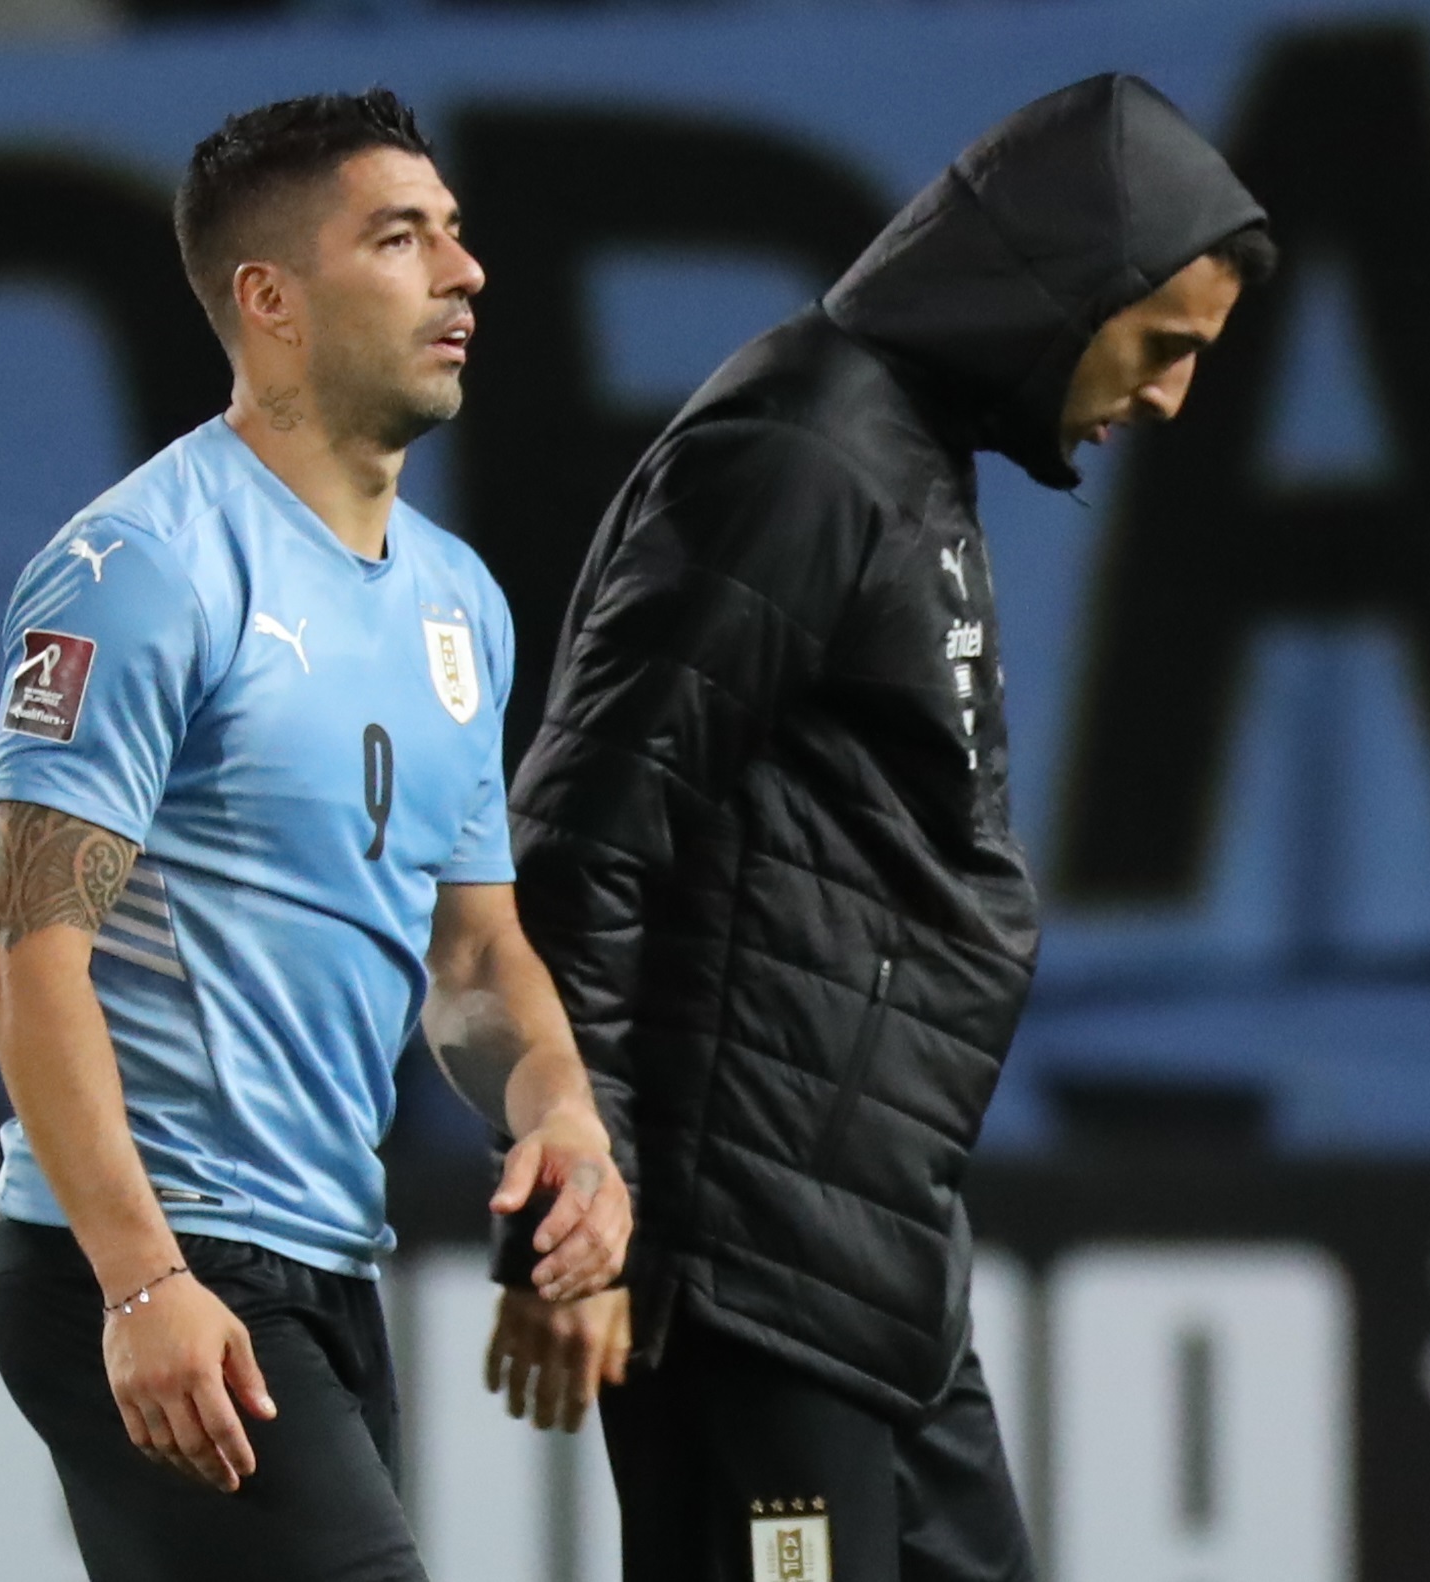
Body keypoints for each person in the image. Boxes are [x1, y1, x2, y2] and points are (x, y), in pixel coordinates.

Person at [488, 73, 1272, 1582]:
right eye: (1163, 346)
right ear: (1065, 288)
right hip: (747, 1268)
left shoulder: (900, 453)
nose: (1172, 397)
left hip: (863, 1262)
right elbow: (585, 838)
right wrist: (572, 1213)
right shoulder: (804, 450)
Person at [0, 89, 630, 1582]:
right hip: (155, 1254)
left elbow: (471, 953)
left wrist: (562, 1116)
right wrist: (140, 1283)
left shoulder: (459, 601)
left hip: (328, 1259)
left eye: (457, 235)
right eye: (401, 238)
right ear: (268, 298)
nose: (466, 273)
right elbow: (26, 955)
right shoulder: (139, 571)